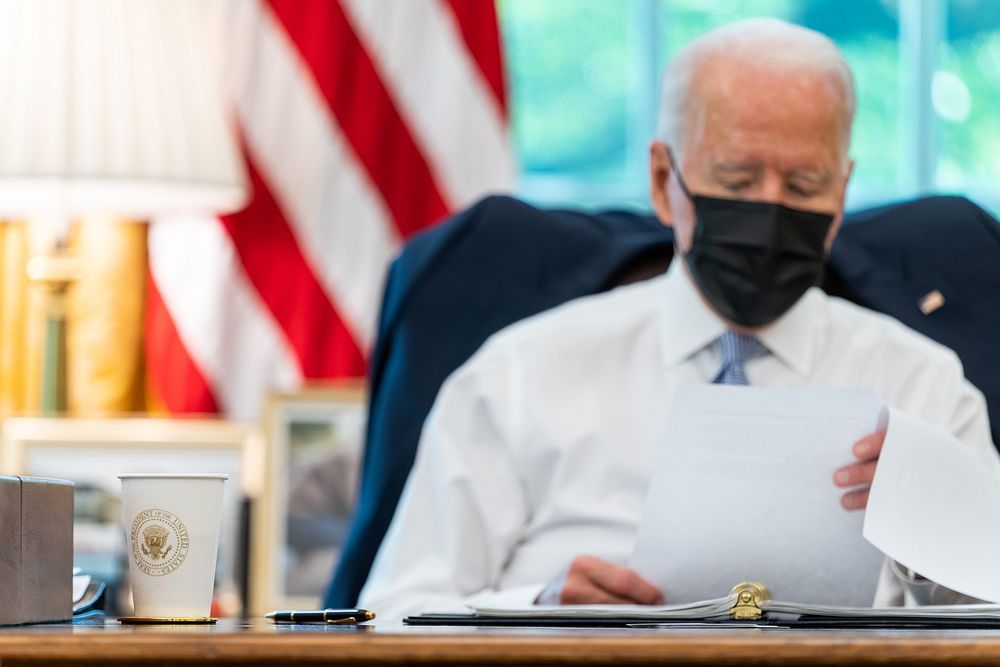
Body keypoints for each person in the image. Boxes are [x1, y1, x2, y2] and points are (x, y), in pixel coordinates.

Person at [359, 18, 1000, 620]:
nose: (770, 211)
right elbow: (393, 611)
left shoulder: (925, 386)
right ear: (665, 179)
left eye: (805, 187)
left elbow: (986, 613)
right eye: (738, 179)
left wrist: (930, 528)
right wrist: (535, 611)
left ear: (841, 192)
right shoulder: (520, 374)